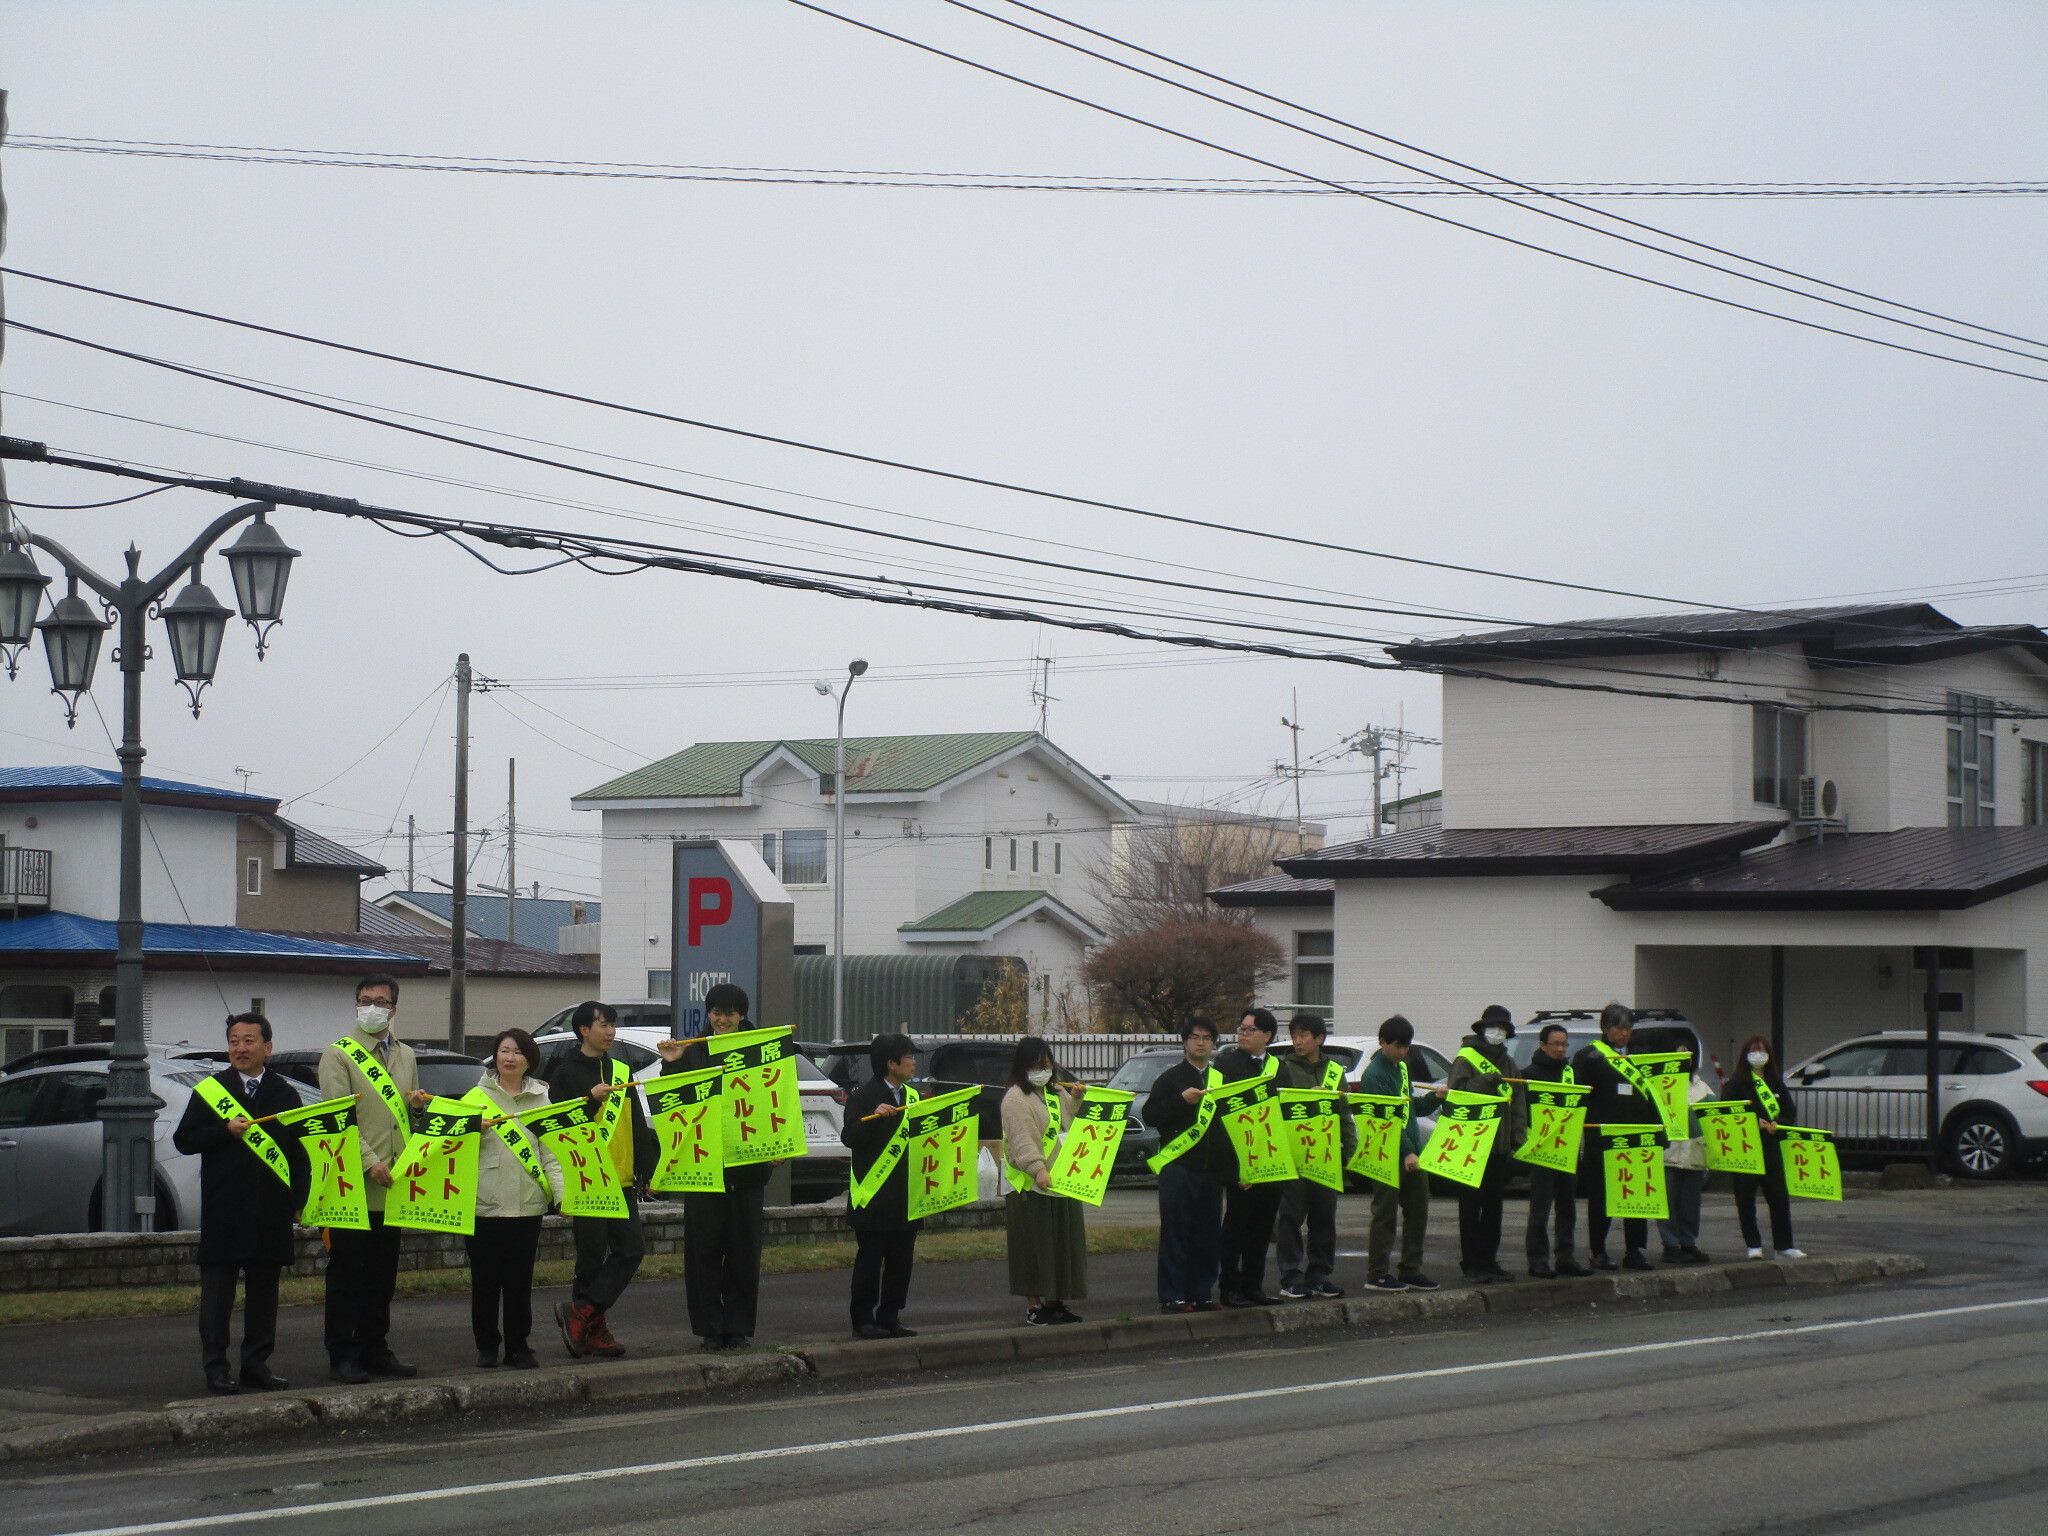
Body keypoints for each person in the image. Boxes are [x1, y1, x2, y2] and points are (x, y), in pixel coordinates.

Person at [171, 1013, 310, 1394]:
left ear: (267, 1047)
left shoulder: (284, 1092)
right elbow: (185, 1139)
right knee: (217, 1297)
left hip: (270, 1209)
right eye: (234, 1040)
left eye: (249, 1041)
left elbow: (300, 1151)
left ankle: (256, 1365)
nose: (240, 1048)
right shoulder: (212, 1091)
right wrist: (224, 1131)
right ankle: (216, 1368)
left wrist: (301, 1199)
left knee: (264, 1295)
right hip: (225, 1208)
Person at [319, 974, 431, 1384]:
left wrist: (417, 1110)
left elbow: (408, 1117)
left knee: (382, 1275)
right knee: (348, 1273)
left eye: (380, 1001)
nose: (371, 1007)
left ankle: (375, 1348)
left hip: (394, 1183)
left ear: (394, 1009)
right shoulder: (339, 1055)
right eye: (364, 1000)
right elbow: (337, 1117)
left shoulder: (406, 1056)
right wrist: (369, 1162)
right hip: (354, 1182)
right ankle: (342, 1354)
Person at [550, 1000, 674, 1358]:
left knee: (631, 1249)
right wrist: (588, 1100)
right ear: (583, 1030)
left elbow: (635, 1122)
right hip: (586, 1176)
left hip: (620, 1176)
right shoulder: (565, 1072)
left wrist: (647, 1168)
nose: (610, 1031)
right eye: (603, 1025)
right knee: (590, 1255)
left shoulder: (619, 1069)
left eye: (612, 1025)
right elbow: (558, 1125)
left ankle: (582, 1313)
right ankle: (591, 1329)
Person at [677, 982, 779, 1350]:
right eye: (716, 1012)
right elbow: (674, 1102)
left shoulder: (764, 1047)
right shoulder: (693, 1050)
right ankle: (709, 1327)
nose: (722, 1019)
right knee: (702, 1253)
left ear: (743, 1015)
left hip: (749, 1167)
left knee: (743, 1252)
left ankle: (737, 1326)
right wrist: (671, 1066)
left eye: (730, 1013)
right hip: (704, 1167)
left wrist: (779, 1145)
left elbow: (778, 1100)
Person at [466, 1028, 562, 1369]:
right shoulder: (474, 1098)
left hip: (528, 1202)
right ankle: (487, 1346)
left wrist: (560, 1196)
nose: (510, 1058)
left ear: (529, 1060)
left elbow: (551, 1152)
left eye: (518, 1052)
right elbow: (449, 1150)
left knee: (520, 1282)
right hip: (484, 1204)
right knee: (486, 1281)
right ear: (496, 1056)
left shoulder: (540, 1098)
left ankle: (519, 1346)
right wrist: (471, 1132)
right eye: (504, 1051)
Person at [1144, 1016, 1231, 1314]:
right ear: (1184, 1041)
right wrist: (1181, 1101)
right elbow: (1151, 1115)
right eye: (1195, 1036)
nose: (1201, 1042)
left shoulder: (1220, 1080)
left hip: (1211, 1170)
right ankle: (1172, 1295)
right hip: (1178, 1167)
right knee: (1176, 1233)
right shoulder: (1170, 1079)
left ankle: (1201, 1293)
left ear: (1214, 1043)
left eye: (1208, 1037)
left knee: (1208, 1235)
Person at [1001, 1035, 1089, 1325]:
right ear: (1024, 1067)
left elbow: (1068, 1122)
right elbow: (1022, 1140)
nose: (1045, 1071)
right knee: (1034, 1246)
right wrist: (1037, 1169)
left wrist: (1075, 1099)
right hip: (1031, 1185)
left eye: (1049, 1065)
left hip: (1060, 1181)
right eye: (1039, 1065)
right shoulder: (1016, 1098)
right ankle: (1034, 1306)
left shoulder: (1053, 1093)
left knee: (1061, 1244)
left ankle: (1055, 1301)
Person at [843, 1032, 924, 1340]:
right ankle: (862, 1319)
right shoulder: (864, 1096)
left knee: (901, 1262)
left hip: (907, 1195)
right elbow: (849, 1137)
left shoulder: (912, 1097)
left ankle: (890, 1315)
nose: (914, 1063)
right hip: (874, 1196)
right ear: (892, 1064)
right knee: (870, 1261)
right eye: (909, 1058)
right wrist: (872, 1119)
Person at [1359, 1014, 1445, 1293]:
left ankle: (1411, 1269)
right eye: (1398, 1045)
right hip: (1386, 1152)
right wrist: (1408, 1151)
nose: (1403, 1051)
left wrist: (1435, 1098)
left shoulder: (1402, 1068)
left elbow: (1409, 1109)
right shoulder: (1374, 1075)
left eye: (1406, 1046)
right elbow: (1388, 1119)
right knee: (1384, 1213)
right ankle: (1377, 1273)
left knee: (1418, 1209)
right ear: (1382, 1042)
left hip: (1409, 1152)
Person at [1273, 1012, 1356, 1300]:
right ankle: (1291, 1275)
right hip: (1296, 1154)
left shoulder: (1335, 1071)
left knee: (1324, 1217)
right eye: (1294, 1035)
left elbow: (1344, 1113)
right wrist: (1307, 1095)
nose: (1297, 1041)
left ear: (1319, 1039)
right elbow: (1276, 1107)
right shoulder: (1282, 1069)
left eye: (1303, 1036)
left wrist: (1350, 1150)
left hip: (1326, 1154)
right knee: (1290, 1217)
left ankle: (1320, 1274)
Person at [1445, 1004, 1528, 1284]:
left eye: (1502, 1029)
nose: (1497, 1033)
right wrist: (1485, 1081)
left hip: (1499, 1146)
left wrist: (1518, 1139)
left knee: (1494, 1208)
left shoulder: (1509, 1062)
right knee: (1470, 1208)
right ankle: (1471, 1263)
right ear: (1482, 1029)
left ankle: (1489, 1261)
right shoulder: (1466, 1058)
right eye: (1494, 1028)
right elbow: (1457, 1094)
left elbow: (1517, 1103)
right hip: (1471, 1145)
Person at [1573, 1002, 1653, 1271]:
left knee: (1636, 1196)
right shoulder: (1588, 1056)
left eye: (1629, 1028)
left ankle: (1635, 1250)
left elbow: (1654, 1096)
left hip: (1635, 1136)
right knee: (1601, 1197)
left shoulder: (1640, 1057)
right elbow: (1577, 1093)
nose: (1625, 1033)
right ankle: (1598, 1250)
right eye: (1620, 1028)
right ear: (1606, 1029)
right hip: (1602, 1137)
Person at [1215, 1009, 1286, 1307]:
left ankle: (1254, 1285)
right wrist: (1239, 1166)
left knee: (1262, 1227)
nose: (1242, 1034)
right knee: (1236, 1227)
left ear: (1267, 1036)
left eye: (1249, 1030)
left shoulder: (1278, 1067)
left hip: (1271, 1158)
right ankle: (1230, 1287)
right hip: (1240, 1160)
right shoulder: (1227, 1063)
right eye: (1241, 1028)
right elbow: (1220, 1113)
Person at [1725, 1035, 1806, 1260]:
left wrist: (1780, 1125)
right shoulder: (1736, 1084)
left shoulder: (1775, 1083)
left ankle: (1784, 1245)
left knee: (1779, 1198)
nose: (1757, 1055)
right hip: (1745, 1150)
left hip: (1771, 1149)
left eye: (1761, 1050)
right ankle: (1753, 1244)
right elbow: (1727, 1114)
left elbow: (1789, 1112)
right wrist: (1753, 1123)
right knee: (1745, 1200)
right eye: (1753, 1050)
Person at [1523, 1022, 1591, 1278]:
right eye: (1556, 1044)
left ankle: (1565, 1256)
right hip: (1541, 1150)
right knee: (1540, 1208)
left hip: (1568, 1148)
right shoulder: (1529, 1074)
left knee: (1567, 1206)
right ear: (1543, 1045)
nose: (1561, 1049)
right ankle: (1538, 1260)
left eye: (1564, 1044)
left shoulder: (1571, 1075)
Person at [1657, 1051, 1713, 1265]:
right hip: (1669, 1152)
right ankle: (1670, 1245)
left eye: (1687, 1056)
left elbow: (1713, 1118)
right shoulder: (1660, 1084)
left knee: (1690, 1202)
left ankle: (1688, 1243)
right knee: (1668, 1202)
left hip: (1695, 1152)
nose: (1683, 1061)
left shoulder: (1703, 1088)